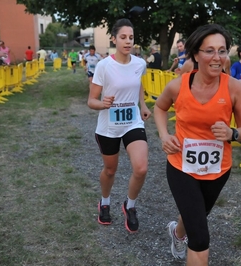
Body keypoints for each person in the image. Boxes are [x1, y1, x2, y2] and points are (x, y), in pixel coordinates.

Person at [153, 24, 241, 264]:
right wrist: (165, 136)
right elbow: (159, 107)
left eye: (222, 50)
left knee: (196, 215)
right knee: (200, 237)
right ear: (196, 54)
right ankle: (188, 240)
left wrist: (232, 133)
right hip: (181, 166)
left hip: (218, 170)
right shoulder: (178, 85)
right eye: (209, 51)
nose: (217, 58)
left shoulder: (234, 88)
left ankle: (177, 233)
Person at [87, 18, 151, 233]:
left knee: (141, 168)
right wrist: (102, 103)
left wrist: (142, 104)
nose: (128, 41)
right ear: (114, 39)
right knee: (111, 170)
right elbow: (91, 100)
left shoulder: (140, 63)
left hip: (132, 122)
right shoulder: (104, 66)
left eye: (131, 37)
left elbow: (139, 84)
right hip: (109, 126)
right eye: (123, 37)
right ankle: (105, 202)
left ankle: (130, 206)